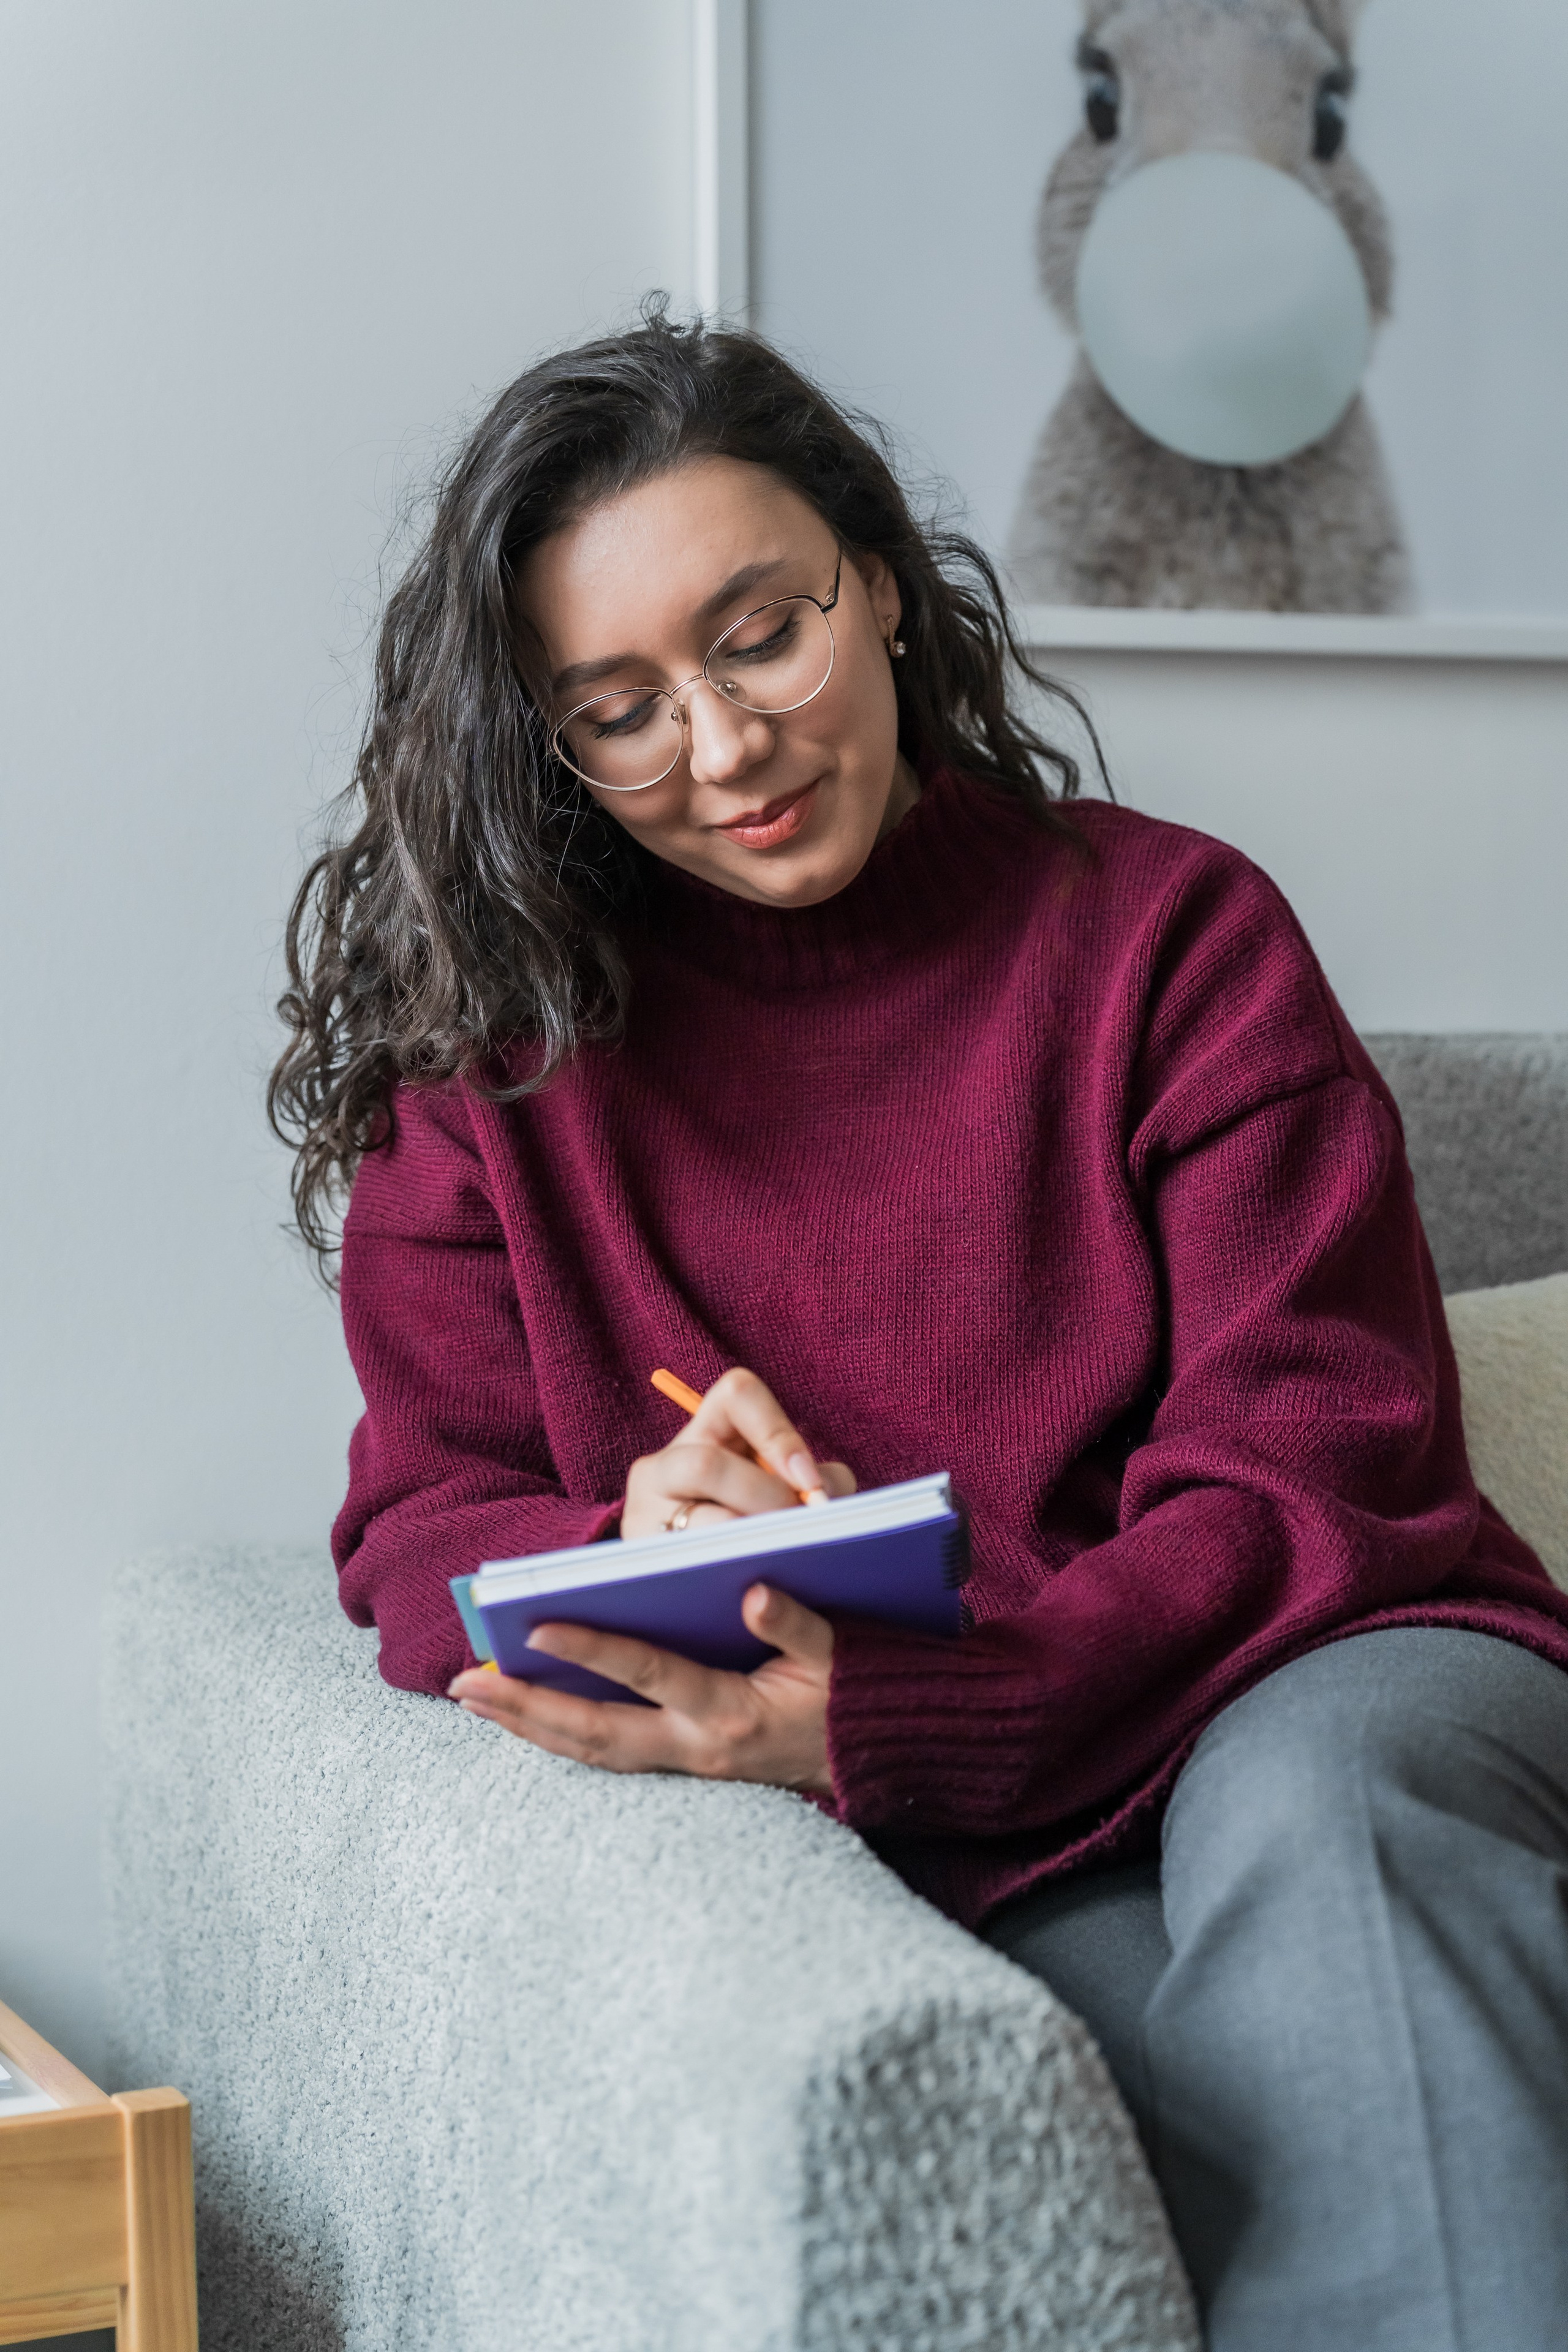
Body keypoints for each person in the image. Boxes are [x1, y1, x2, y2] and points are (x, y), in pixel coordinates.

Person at [270, 308, 1568, 2350]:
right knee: (1214, 2089)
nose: (720, 749)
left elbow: (1318, 1479)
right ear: (552, 747)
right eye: (616, 710)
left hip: (1316, 1685)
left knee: (1333, 1836)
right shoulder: (493, 1084)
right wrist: (630, 1545)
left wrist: (926, 1713)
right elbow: (421, 1536)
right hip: (971, 1810)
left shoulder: (1177, 939)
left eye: (758, 636)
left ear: (874, 576)